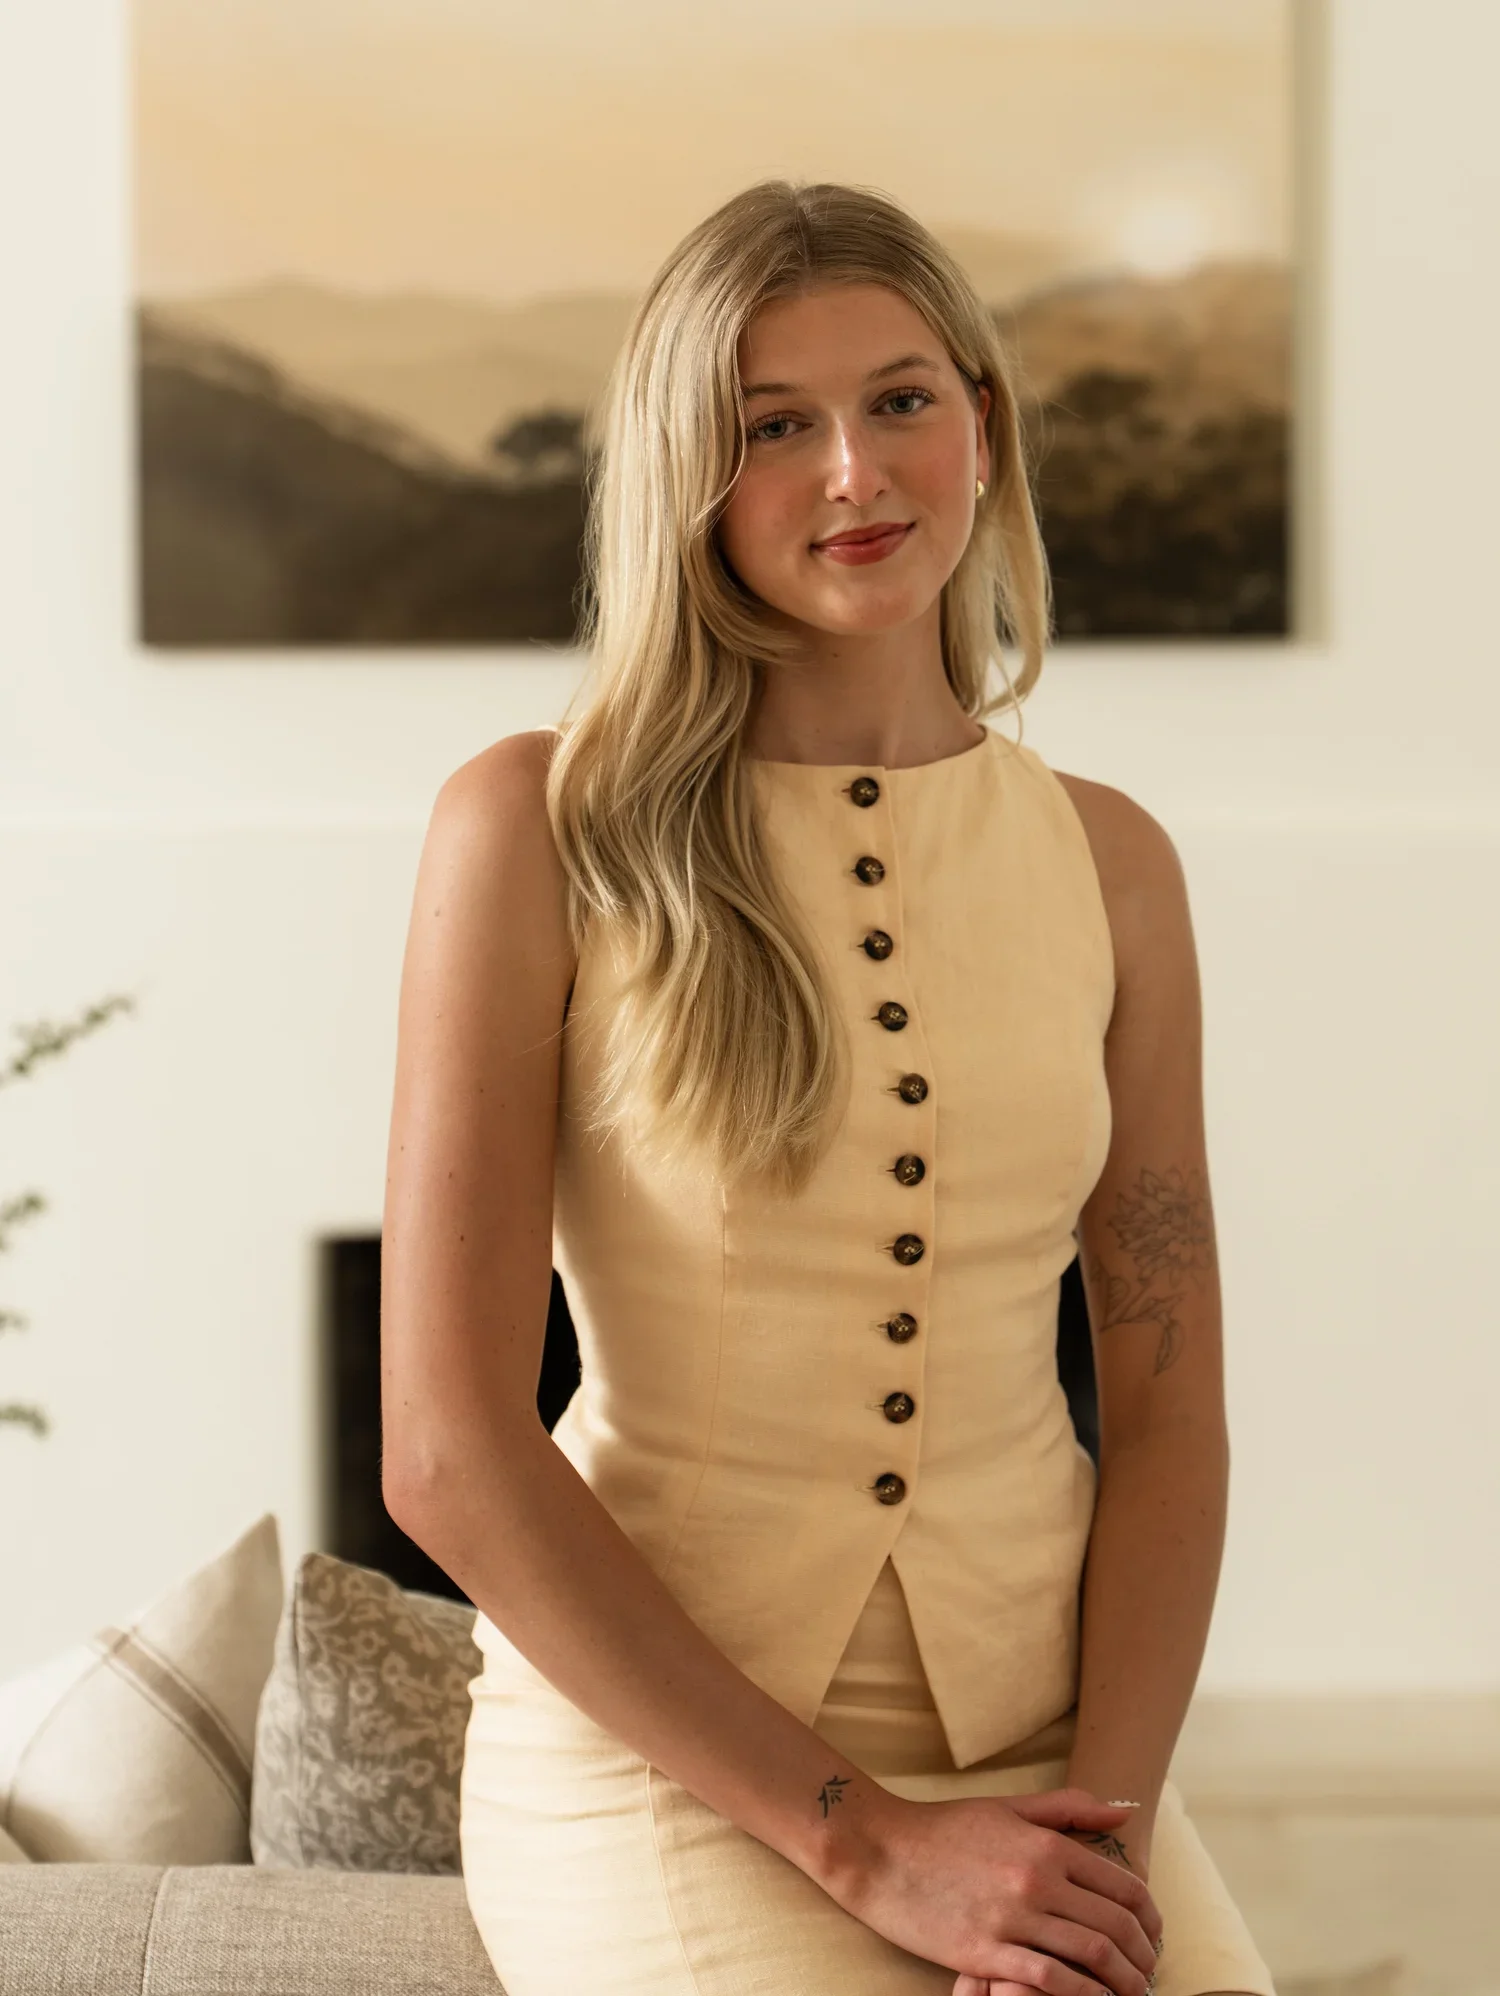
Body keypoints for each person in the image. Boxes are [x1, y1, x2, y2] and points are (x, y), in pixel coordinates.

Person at [380, 178, 1276, 1996]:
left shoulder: (1113, 864)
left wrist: (1097, 1845)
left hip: (1058, 1758)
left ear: (981, 425)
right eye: (772, 426)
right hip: (667, 1768)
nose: (855, 473)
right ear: (686, 478)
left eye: (900, 401)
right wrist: (869, 1845)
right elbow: (446, 1448)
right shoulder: (536, 830)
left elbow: (1170, 1412)